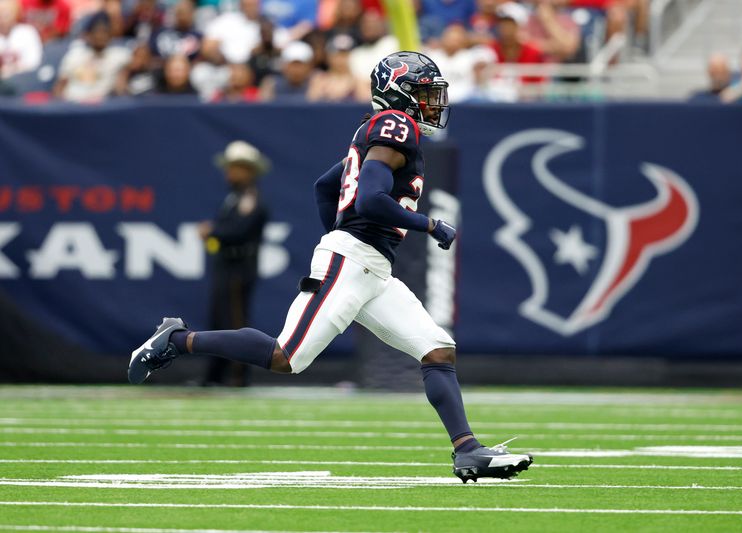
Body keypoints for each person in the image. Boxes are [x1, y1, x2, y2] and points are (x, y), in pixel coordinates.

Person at [128, 51, 533, 483]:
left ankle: (466, 450)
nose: (432, 102)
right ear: (399, 93)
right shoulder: (397, 125)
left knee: (437, 348)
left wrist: (340, 234)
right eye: (423, 92)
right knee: (287, 356)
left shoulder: (380, 131)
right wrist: (427, 224)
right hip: (354, 260)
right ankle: (178, 338)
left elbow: (326, 186)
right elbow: (370, 200)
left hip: (371, 266)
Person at [197, 141, 270, 387]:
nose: (230, 173)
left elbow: (239, 230)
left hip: (239, 267)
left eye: (235, 167)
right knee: (219, 321)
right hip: (226, 265)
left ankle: (238, 375)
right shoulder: (233, 198)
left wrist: (213, 232)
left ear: (248, 170)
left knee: (235, 322)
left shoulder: (250, 199)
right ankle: (215, 375)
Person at [52, 11, 131, 103]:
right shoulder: (75, 54)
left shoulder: (119, 55)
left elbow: (124, 81)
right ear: (88, 35)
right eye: (97, 32)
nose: (101, 36)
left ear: (110, 35)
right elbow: (61, 84)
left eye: (104, 32)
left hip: (101, 108)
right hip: (72, 105)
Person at [0, 0, 42, 80]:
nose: (2, 16)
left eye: (6, 12)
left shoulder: (27, 32)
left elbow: (34, 63)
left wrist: (13, 70)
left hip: (24, 80)